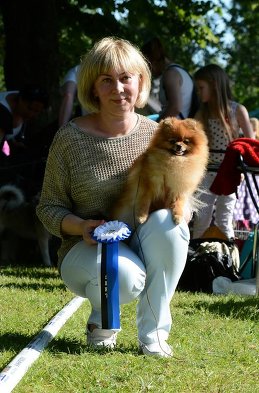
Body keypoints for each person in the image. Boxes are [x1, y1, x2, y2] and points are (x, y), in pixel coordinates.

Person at [36, 36, 191, 358]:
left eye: (125, 78)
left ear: (141, 83)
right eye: (106, 80)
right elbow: (48, 208)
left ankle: (154, 336)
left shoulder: (158, 135)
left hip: (142, 238)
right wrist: (82, 227)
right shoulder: (70, 138)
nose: (118, 89)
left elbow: (182, 191)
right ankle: (101, 322)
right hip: (83, 250)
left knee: (171, 226)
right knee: (124, 275)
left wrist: (182, 208)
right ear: (92, 88)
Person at [192, 64, 254, 240]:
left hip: (228, 173)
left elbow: (251, 144)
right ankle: (196, 257)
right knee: (201, 218)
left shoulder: (237, 111)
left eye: (201, 88)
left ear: (214, 85)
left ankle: (227, 260)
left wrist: (244, 167)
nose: (198, 92)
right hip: (206, 173)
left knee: (224, 219)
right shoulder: (201, 114)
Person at [141, 37, 196, 120]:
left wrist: (156, 126)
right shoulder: (180, 70)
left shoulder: (170, 74)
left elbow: (175, 108)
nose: (149, 71)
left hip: (176, 126)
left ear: (152, 61)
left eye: (147, 66)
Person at [0, 85, 49, 159]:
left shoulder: (22, 98)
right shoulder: (2, 113)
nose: (31, 114)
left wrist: (13, 142)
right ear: (20, 100)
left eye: (37, 111)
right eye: (29, 109)